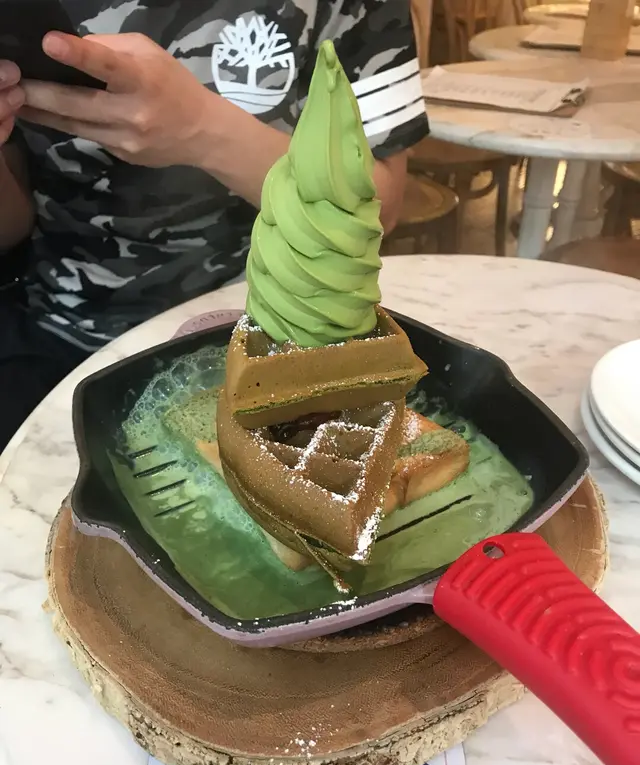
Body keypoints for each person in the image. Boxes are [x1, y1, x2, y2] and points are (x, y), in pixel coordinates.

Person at [0, 0, 429, 450]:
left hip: (274, 332)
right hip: (57, 337)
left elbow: (380, 208)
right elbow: (12, 225)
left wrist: (203, 130)